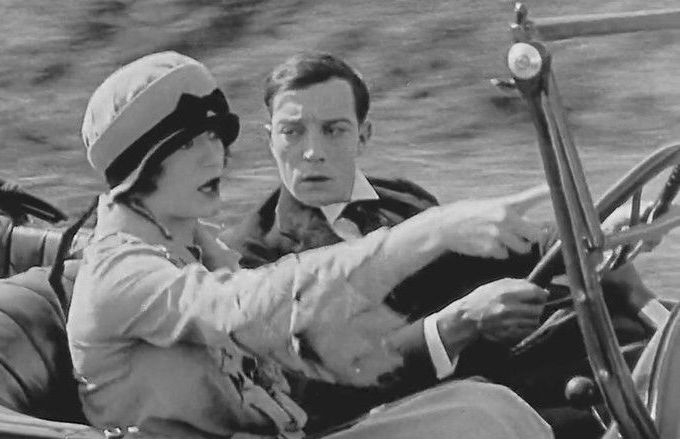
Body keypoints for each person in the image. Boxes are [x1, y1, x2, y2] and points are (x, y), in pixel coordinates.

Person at [65, 51, 553, 438]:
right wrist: (432, 233)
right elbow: (259, 305)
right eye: (189, 144)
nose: (215, 156)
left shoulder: (196, 247)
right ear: (140, 168)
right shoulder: (122, 269)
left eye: (215, 136)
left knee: (486, 408)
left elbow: (320, 353)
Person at [219, 51, 662, 435]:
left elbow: (505, 247)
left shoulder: (401, 199)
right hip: (402, 419)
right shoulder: (250, 256)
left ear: (363, 135)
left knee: (651, 353)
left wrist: (602, 231)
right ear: (269, 139)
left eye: (333, 130)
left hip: (501, 377)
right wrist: (455, 324)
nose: (312, 151)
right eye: (292, 131)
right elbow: (310, 392)